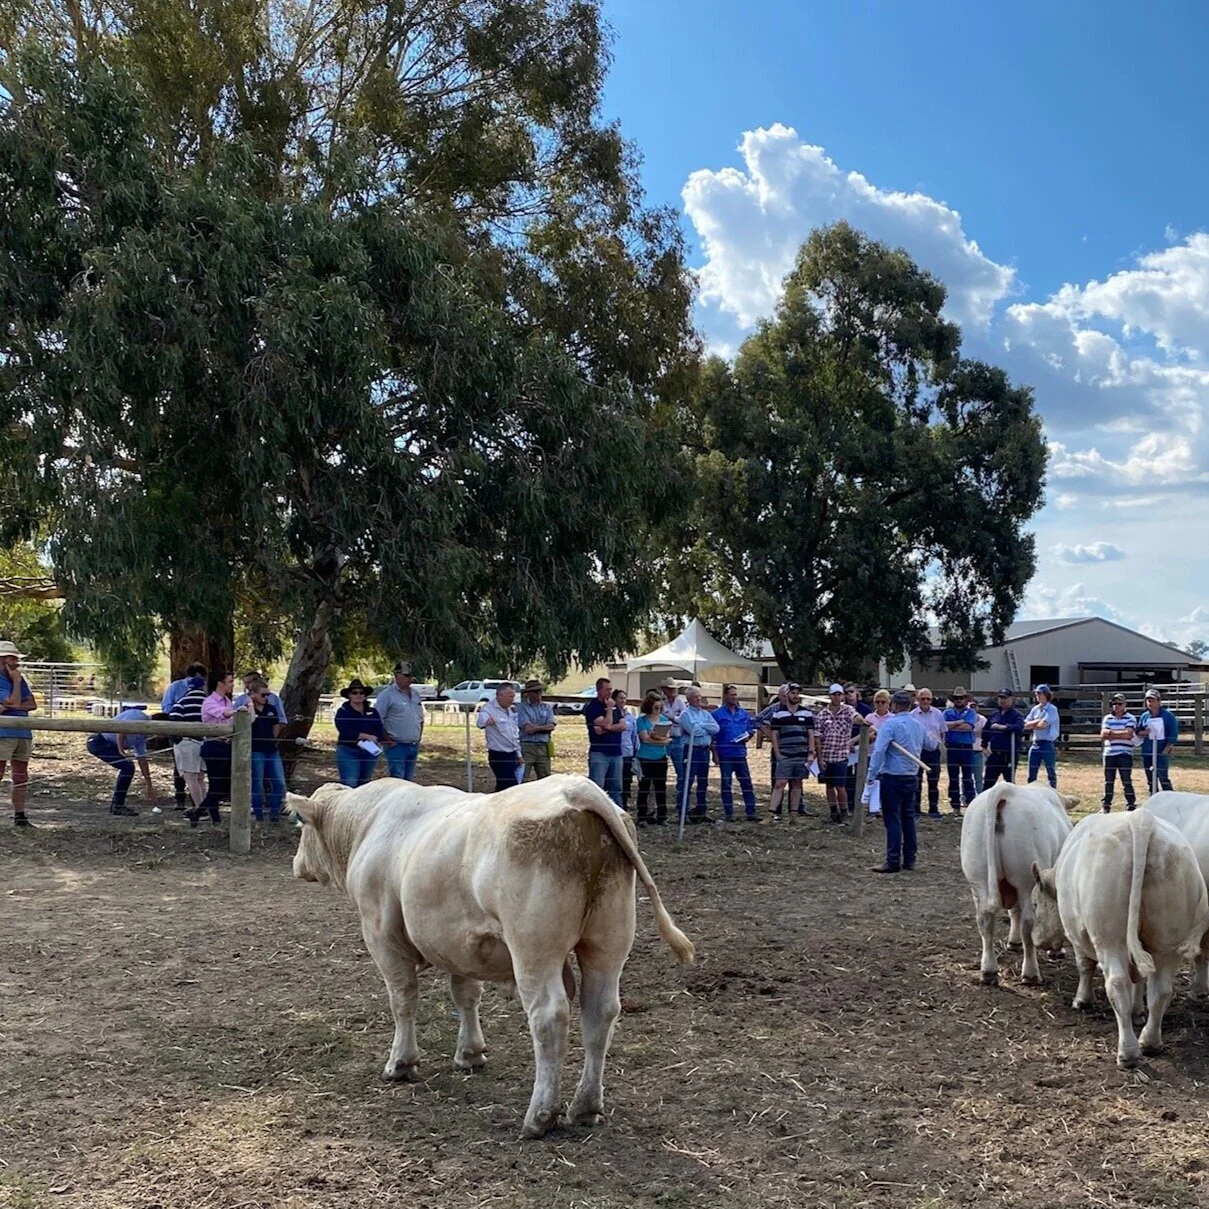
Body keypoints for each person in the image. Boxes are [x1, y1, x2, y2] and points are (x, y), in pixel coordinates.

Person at [866, 690, 926, 873]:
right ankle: (909, 860)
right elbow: (931, 744)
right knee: (908, 818)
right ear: (909, 705)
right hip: (912, 775)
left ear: (894, 705)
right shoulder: (918, 725)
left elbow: (878, 751)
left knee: (892, 819)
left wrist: (871, 774)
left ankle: (892, 861)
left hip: (893, 776)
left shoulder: (890, 725)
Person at [189, 669, 253, 826]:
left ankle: (208, 816)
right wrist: (237, 711)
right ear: (220, 684)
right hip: (214, 746)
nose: (232, 685)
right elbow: (223, 714)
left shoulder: (227, 701)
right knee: (219, 786)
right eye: (230, 681)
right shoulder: (210, 702)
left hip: (225, 746)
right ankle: (202, 813)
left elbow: (244, 720)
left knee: (219, 785)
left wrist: (248, 706)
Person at [85, 702, 159, 817]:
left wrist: (149, 784)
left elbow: (142, 759)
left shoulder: (142, 737)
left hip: (109, 744)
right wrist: (121, 750)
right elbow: (122, 730)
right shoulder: (139, 717)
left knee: (127, 768)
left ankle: (118, 804)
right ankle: (118, 805)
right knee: (127, 767)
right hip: (99, 741)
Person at [0, 642, 37, 828]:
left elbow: (31, 703)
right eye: (11, 658)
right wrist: (15, 684)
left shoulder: (20, 679)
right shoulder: (13, 679)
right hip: (3, 733)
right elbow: (14, 700)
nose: (15, 662)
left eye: (15, 658)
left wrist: (11, 706)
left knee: (21, 775)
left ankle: (20, 815)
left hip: (23, 732)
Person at [815, 683, 863, 824]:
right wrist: (820, 757)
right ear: (830, 696)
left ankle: (844, 812)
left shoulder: (848, 710)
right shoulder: (822, 715)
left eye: (839, 694)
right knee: (829, 786)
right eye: (834, 694)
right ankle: (833, 812)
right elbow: (818, 737)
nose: (837, 697)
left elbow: (856, 717)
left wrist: (863, 722)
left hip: (841, 755)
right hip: (826, 755)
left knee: (841, 786)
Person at [768, 683, 816, 821]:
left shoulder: (806, 713)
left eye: (797, 693)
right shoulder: (778, 714)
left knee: (797, 783)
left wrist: (811, 753)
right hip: (785, 754)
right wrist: (777, 753)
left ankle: (793, 814)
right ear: (787, 694)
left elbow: (811, 734)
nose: (795, 695)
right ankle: (771, 813)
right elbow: (774, 735)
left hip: (801, 754)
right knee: (779, 783)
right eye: (793, 693)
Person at [162, 661, 206, 810]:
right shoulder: (175, 687)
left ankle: (199, 807)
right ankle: (181, 798)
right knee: (187, 772)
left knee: (192, 775)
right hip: (191, 736)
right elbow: (167, 708)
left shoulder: (183, 702)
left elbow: (173, 712)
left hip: (188, 739)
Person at [713, 684, 758, 822]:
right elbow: (713, 736)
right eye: (731, 694)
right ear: (725, 696)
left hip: (740, 753)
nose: (734, 697)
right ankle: (729, 813)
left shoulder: (743, 713)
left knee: (746, 783)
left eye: (735, 695)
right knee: (726, 784)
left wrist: (748, 736)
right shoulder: (717, 714)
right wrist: (714, 754)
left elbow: (751, 728)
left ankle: (751, 812)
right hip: (725, 753)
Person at [374, 661, 426, 781]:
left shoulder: (415, 694)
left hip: (413, 744)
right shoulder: (386, 695)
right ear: (396, 676)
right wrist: (387, 740)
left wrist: (418, 737)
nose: (409, 679)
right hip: (396, 745)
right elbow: (377, 719)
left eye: (410, 675)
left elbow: (420, 717)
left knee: (409, 780)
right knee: (397, 779)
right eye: (406, 676)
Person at [246, 676, 287, 822]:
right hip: (256, 750)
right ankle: (258, 815)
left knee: (279, 782)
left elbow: (276, 726)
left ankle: (274, 813)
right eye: (263, 695)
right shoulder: (246, 710)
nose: (266, 697)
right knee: (257, 783)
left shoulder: (271, 708)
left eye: (268, 694)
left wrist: (272, 740)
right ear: (253, 694)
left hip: (271, 750)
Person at [333, 677, 385, 789]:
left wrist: (375, 738)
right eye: (355, 692)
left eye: (361, 693)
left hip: (369, 750)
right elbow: (345, 731)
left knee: (365, 784)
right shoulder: (343, 712)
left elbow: (379, 728)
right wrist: (366, 736)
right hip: (349, 750)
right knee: (350, 783)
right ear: (349, 695)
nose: (358, 695)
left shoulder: (372, 711)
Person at [680, 687, 720, 823]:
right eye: (695, 697)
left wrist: (701, 725)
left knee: (703, 782)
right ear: (689, 699)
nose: (698, 699)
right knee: (688, 781)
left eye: (699, 696)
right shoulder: (685, 714)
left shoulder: (705, 714)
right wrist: (705, 728)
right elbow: (693, 731)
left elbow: (716, 728)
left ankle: (701, 811)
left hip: (704, 750)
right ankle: (683, 813)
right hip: (692, 750)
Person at [584, 677, 626, 807]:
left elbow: (623, 726)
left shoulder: (615, 706)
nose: (609, 692)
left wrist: (608, 727)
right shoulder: (593, 707)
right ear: (599, 690)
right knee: (597, 788)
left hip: (616, 752)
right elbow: (605, 725)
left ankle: (618, 814)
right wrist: (608, 710)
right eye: (607, 689)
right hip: (600, 752)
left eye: (611, 689)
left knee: (616, 787)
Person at [477, 681, 522, 792]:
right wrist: (487, 721)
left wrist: (519, 754)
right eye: (510, 696)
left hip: (512, 754)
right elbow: (480, 722)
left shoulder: (510, 710)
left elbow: (514, 735)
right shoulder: (488, 708)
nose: (512, 699)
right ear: (500, 695)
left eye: (513, 696)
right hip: (499, 755)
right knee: (510, 785)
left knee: (503, 787)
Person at [909, 688, 946, 818]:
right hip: (917, 751)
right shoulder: (912, 715)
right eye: (922, 699)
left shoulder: (938, 714)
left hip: (933, 751)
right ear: (918, 700)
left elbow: (942, 732)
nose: (925, 701)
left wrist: (936, 744)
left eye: (928, 699)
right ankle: (916, 809)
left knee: (933, 781)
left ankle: (934, 809)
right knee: (916, 781)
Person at [635, 692, 671, 825]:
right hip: (645, 758)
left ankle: (662, 816)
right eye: (656, 707)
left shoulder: (664, 720)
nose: (658, 710)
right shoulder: (642, 720)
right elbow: (644, 739)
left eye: (660, 707)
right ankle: (642, 816)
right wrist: (660, 740)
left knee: (660, 787)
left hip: (660, 757)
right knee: (644, 788)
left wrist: (655, 738)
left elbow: (667, 738)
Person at [942, 687, 977, 818]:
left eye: (961, 698)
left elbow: (968, 727)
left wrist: (953, 725)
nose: (959, 700)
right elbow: (944, 726)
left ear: (966, 699)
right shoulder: (947, 712)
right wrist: (960, 722)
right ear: (954, 700)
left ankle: (970, 803)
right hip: (952, 747)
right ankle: (955, 805)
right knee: (953, 777)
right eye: (957, 698)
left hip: (966, 747)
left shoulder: (971, 712)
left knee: (968, 777)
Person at [1100, 693, 1137, 812]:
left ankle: (1131, 804)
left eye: (1119, 703)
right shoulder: (1107, 718)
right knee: (1108, 781)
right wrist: (1120, 733)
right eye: (1114, 703)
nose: (1116, 706)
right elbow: (1103, 735)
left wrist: (1111, 733)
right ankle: (1106, 805)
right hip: (1109, 753)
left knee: (1126, 780)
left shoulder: (1131, 718)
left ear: (1125, 705)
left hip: (1125, 753)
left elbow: (1129, 734)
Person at [1137, 688, 1179, 793]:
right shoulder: (1144, 716)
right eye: (1148, 700)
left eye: (1152, 700)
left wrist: (1165, 751)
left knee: (1163, 777)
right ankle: (1153, 799)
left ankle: (1170, 800)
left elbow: (1173, 735)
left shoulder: (1168, 716)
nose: (1150, 703)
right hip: (1147, 751)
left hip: (1162, 752)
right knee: (1151, 779)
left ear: (1159, 701)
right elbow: (1138, 731)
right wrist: (1144, 732)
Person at [517, 679, 557, 781]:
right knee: (523, 776)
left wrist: (536, 727)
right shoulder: (522, 708)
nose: (538, 694)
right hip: (527, 746)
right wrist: (544, 727)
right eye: (535, 691)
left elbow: (551, 726)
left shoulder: (547, 707)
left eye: (540, 691)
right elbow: (528, 728)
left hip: (543, 746)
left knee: (545, 778)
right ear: (528, 693)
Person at [983, 690, 1025, 786]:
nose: (1002, 700)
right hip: (994, 755)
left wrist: (1004, 727)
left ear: (1011, 699)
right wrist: (984, 746)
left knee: (1009, 784)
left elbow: (1019, 728)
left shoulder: (1016, 715)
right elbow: (986, 730)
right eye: (1000, 698)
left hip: (1009, 755)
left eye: (1005, 698)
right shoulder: (994, 715)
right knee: (988, 783)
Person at [1023, 684, 1060, 788]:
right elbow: (1024, 725)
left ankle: (1053, 791)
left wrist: (1033, 724)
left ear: (1046, 694)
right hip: (1036, 743)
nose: (1037, 695)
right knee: (1031, 772)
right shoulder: (1035, 709)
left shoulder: (1052, 709)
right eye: (1036, 693)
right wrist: (1037, 721)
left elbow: (1042, 726)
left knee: (1050, 771)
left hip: (1047, 743)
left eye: (1039, 693)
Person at [659, 678, 689, 796]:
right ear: (664, 690)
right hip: (663, 738)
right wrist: (674, 719)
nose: (672, 691)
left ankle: (681, 794)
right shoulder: (661, 702)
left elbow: (684, 719)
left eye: (673, 689)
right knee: (660, 769)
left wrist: (671, 718)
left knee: (680, 769)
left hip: (677, 738)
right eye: (669, 689)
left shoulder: (680, 702)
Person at [844, 683, 872, 805]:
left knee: (860, 776)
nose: (849, 695)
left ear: (857, 693)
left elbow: (869, 729)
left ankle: (859, 802)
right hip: (845, 747)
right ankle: (849, 803)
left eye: (851, 691)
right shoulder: (842, 709)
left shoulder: (865, 709)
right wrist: (846, 743)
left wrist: (854, 741)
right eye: (846, 692)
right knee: (846, 776)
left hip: (862, 746)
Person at [614, 689, 637, 810]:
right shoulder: (611, 714)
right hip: (615, 751)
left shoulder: (630, 717)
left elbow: (634, 735)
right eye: (620, 698)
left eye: (624, 698)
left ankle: (624, 804)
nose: (622, 700)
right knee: (616, 780)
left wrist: (635, 751)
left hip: (627, 752)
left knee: (626, 780)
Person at [971, 707, 987, 795]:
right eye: (970, 706)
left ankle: (979, 795)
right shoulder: (964, 717)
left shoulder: (982, 719)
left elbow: (985, 733)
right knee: (965, 777)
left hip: (978, 751)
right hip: (967, 751)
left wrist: (969, 730)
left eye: (974, 706)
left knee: (979, 777)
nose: (972, 708)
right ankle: (964, 797)